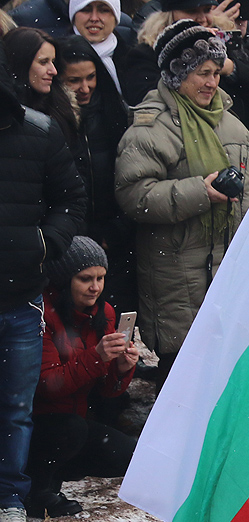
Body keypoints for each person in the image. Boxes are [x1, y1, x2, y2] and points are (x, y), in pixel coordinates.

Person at [115, 21, 249, 371]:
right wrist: (200, 192)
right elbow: (133, 194)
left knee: (226, 373)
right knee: (182, 376)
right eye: (201, 73)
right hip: (176, 278)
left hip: (228, 272)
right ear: (177, 75)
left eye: (216, 73)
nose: (211, 82)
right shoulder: (150, 128)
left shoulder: (233, 125)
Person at [0, 53, 87, 522]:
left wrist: (44, 242)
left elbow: (72, 197)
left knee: (15, 407)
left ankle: (10, 499)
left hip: (18, 296)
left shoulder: (38, 133)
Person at [26, 237, 137, 519]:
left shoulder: (104, 312)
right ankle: (37, 489)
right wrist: (97, 356)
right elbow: (49, 385)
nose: (95, 287)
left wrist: (122, 369)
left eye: (100, 278)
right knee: (70, 431)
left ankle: (59, 470)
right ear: (65, 280)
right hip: (37, 425)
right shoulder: (41, 314)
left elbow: (107, 391)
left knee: (129, 456)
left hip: (77, 422)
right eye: (85, 279)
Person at [53, 37, 134, 317]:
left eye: (91, 77)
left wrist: (115, 231)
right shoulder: (53, 122)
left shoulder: (111, 113)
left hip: (113, 236)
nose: (85, 88)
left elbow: (130, 176)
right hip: (71, 240)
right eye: (74, 80)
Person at [123, 0, 249, 130]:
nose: (202, 19)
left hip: (238, 142)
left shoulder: (222, 41)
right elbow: (151, 105)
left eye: (207, 10)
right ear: (169, 15)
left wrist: (231, 68)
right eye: (191, 11)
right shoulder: (146, 54)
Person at [5, 29, 79, 151]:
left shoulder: (61, 106)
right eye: (43, 62)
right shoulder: (7, 115)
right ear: (22, 63)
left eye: (53, 62)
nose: (53, 71)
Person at [63, 0, 137, 107]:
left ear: (116, 16)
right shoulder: (57, 58)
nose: (94, 18)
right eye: (85, 10)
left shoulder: (134, 59)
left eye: (104, 10)